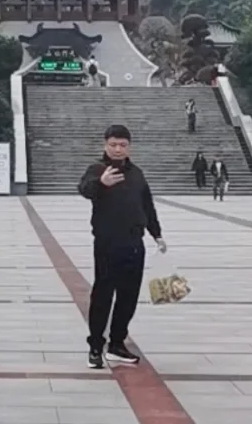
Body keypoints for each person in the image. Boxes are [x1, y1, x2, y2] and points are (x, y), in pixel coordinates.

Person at [78, 124, 167, 370]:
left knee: (128, 297)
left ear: (129, 147)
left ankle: (117, 343)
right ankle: (95, 346)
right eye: (113, 145)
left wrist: (157, 235)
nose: (118, 149)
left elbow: (147, 206)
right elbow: (84, 189)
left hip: (134, 244)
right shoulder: (97, 169)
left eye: (123, 145)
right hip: (108, 243)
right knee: (103, 295)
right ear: (105, 145)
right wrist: (101, 182)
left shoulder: (136, 173)